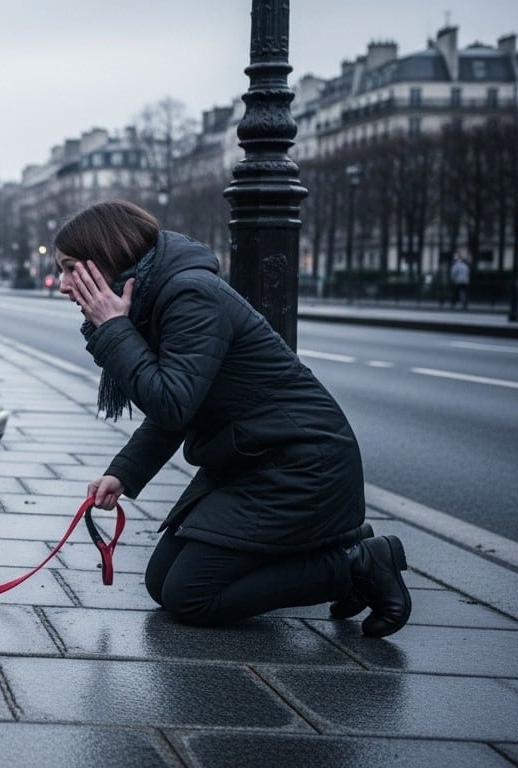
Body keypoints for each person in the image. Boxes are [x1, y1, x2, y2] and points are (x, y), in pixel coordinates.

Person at [55, 200, 410, 637]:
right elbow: (179, 406)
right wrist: (124, 473)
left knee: (191, 596)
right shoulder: (155, 295)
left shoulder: (189, 295)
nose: (63, 284)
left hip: (300, 466)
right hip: (251, 461)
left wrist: (114, 329)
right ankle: (331, 543)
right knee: (161, 583)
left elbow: (172, 403)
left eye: (71, 269)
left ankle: (356, 565)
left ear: (105, 259)